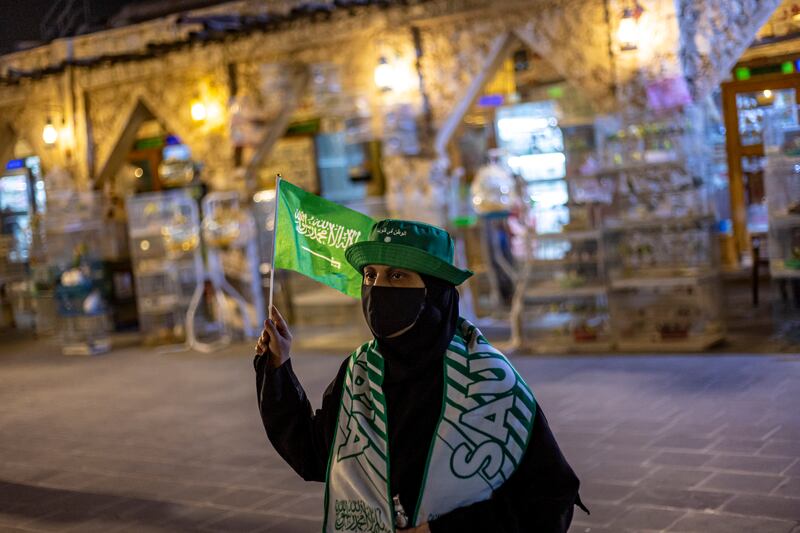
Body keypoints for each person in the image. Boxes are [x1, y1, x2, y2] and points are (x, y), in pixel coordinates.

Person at [255, 219, 585, 532]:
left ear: (435, 291)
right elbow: (314, 456)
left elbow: (550, 500)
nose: (378, 288)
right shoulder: (360, 372)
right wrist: (277, 368)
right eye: (370, 275)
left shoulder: (488, 381)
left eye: (397, 276)